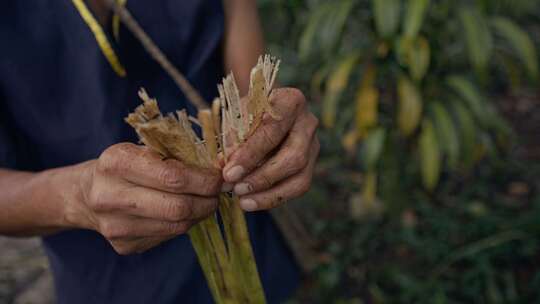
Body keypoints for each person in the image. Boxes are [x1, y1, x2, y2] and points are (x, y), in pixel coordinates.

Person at [0, 0, 320, 303]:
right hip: (111, 284)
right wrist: (76, 196)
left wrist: (271, 126)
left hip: (251, 247)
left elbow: (248, 86)